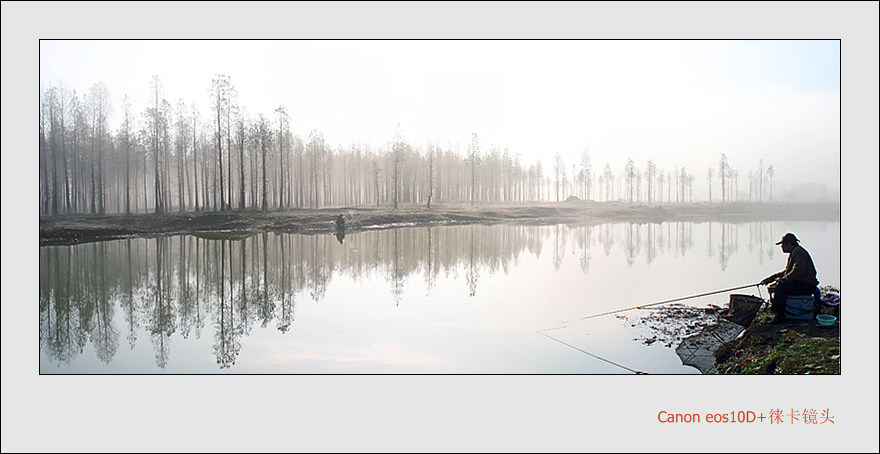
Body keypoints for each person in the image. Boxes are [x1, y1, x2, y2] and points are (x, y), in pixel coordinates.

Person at [759, 233, 819, 324]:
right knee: (780, 285)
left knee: (781, 287)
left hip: (807, 286)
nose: (782, 247)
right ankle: (780, 312)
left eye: (783, 244)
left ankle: (779, 316)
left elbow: (797, 272)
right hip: (802, 284)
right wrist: (771, 278)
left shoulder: (799, 252)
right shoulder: (794, 253)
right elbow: (787, 272)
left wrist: (783, 280)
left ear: (790, 244)